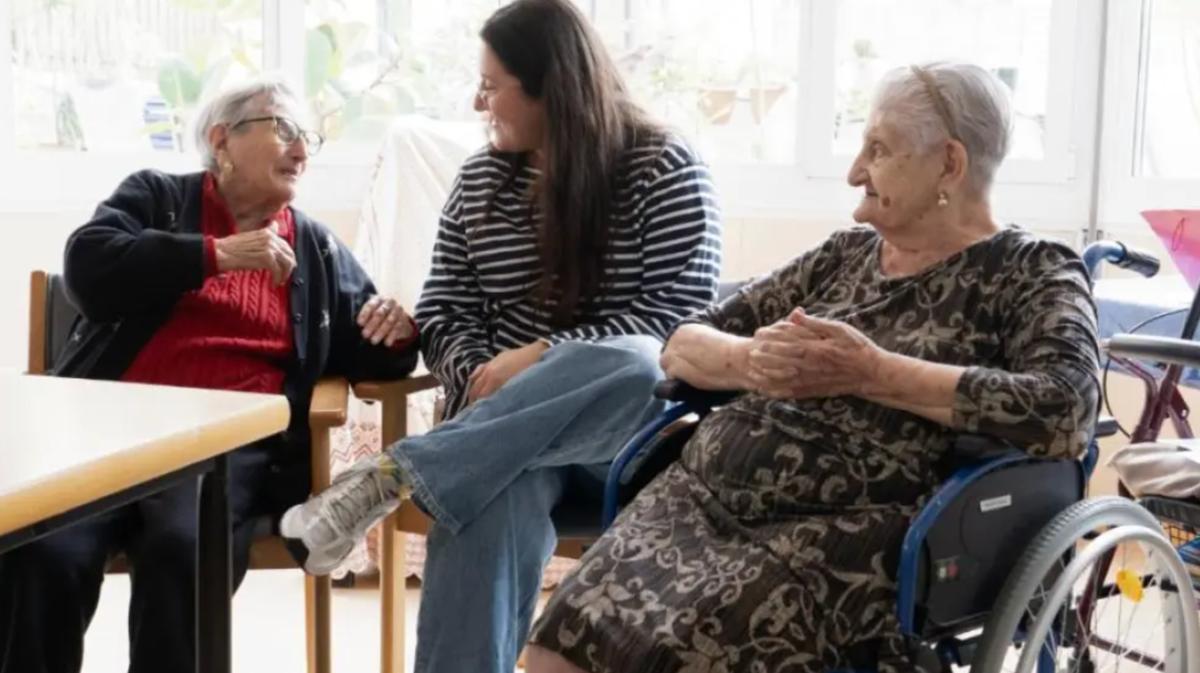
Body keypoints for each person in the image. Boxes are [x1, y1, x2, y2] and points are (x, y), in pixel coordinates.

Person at [523, 62, 1100, 673]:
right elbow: (683, 339)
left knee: (689, 656)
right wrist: (750, 361)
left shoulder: (1031, 272)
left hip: (843, 527)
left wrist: (871, 372)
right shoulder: (843, 256)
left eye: (877, 150)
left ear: (949, 166)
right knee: (557, 646)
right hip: (700, 496)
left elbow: (1066, 409)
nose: (855, 171)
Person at [280, 1, 723, 671]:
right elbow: (446, 307)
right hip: (493, 439)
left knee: (633, 362)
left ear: (553, 85)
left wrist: (541, 358)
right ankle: (438, 468)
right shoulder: (481, 177)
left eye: (492, 84)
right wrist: (481, 372)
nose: (476, 99)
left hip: (622, 440)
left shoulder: (664, 167)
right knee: (488, 489)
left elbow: (680, 325)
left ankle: (395, 473)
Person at [0, 78, 420, 673]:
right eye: (285, 130)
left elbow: (370, 349)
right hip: (105, 434)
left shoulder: (317, 248)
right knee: (43, 552)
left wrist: (396, 330)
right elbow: (89, 267)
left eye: (310, 140)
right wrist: (216, 254)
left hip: (221, 449)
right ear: (222, 139)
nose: (302, 152)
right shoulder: (157, 196)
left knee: (184, 550)